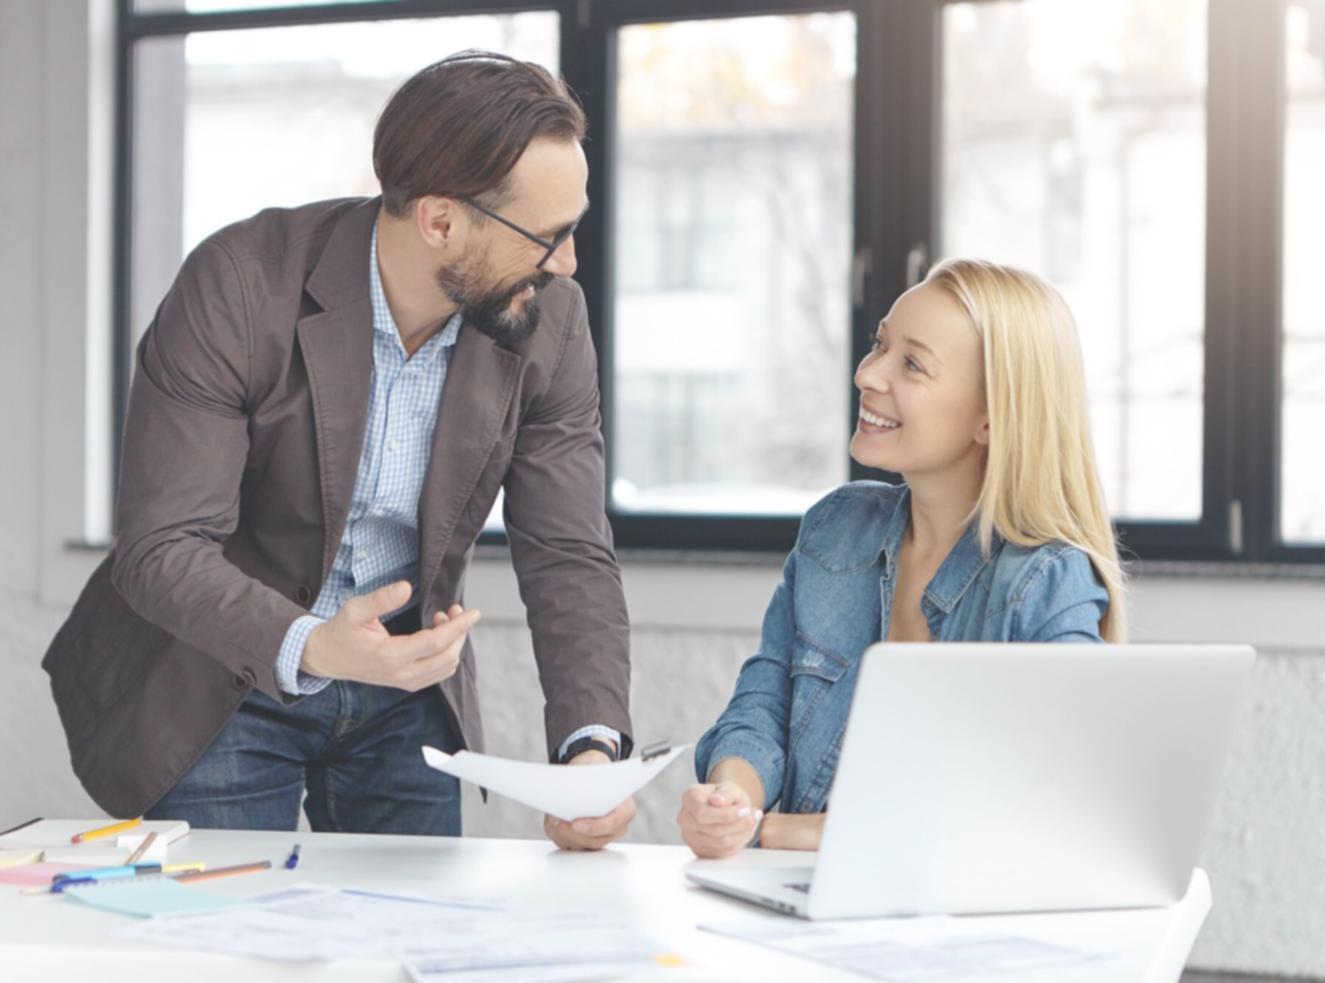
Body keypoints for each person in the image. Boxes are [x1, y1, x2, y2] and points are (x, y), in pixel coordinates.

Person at [43, 51, 635, 850]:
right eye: (547, 235)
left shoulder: (550, 321)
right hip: (227, 670)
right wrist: (316, 643)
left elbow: (567, 548)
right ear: (440, 220)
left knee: (409, 947)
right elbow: (161, 544)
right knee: (227, 946)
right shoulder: (240, 284)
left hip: (405, 691)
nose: (566, 263)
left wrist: (589, 748)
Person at [678, 259, 1127, 858]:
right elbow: (763, 703)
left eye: (912, 364)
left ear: (991, 417)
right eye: (879, 345)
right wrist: (732, 801)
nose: (868, 375)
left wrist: (810, 833)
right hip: (802, 903)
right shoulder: (836, 530)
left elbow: (1055, 806)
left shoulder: (1045, 581)